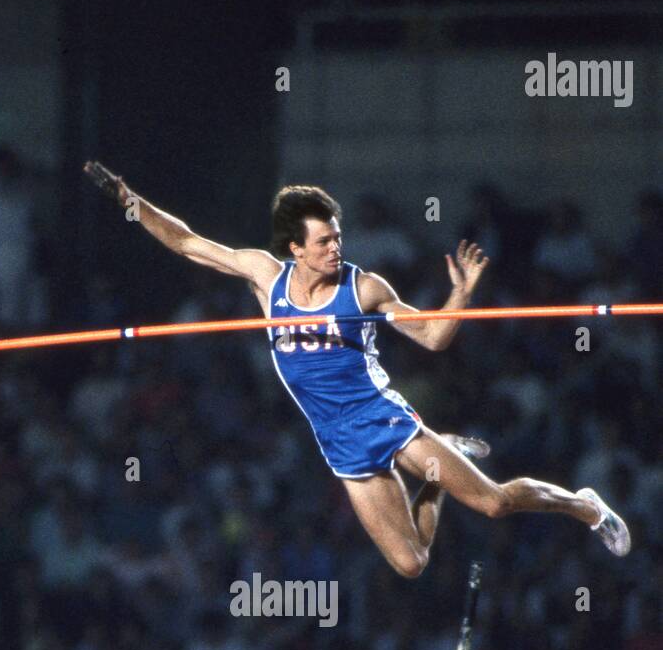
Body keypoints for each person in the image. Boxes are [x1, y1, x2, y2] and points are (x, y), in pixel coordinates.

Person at [85, 163, 630, 574]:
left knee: (494, 503)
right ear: (295, 248)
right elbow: (185, 241)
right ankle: (447, 462)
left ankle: (585, 507)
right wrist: (129, 199)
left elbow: (436, 338)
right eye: (323, 242)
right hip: (338, 443)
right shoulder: (264, 276)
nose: (335, 248)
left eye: (337, 237)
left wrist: (459, 295)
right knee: (411, 564)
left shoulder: (364, 287)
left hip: (383, 418)